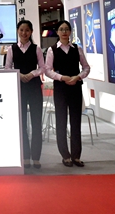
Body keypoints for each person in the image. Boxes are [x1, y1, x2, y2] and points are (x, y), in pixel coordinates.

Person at [45, 20, 91, 167]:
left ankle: (76, 156)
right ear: (57, 32)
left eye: (66, 29)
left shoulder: (77, 49)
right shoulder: (52, 50)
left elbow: (86, 67)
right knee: (61, 121)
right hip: (60, 89)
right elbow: (47, 70)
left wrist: (78, 77)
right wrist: (61, 77)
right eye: (61, 29)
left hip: (75, 88)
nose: (64, 32)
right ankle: (65, 155)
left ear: (70, 32)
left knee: (76, 122)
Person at [4, 19, 45, 169]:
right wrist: (19, 75)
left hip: (34, 87)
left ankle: (36, 157)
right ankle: (25, 156)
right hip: (19, 86)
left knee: (36, 122)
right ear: (17, 31)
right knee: (21, 124)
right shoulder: (11, 49)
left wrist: (31, 74)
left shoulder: (36, 48)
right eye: (21, 30)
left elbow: (43, 67)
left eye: (27, 30)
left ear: (31, 32)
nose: (24, 33)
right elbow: (7, 67)